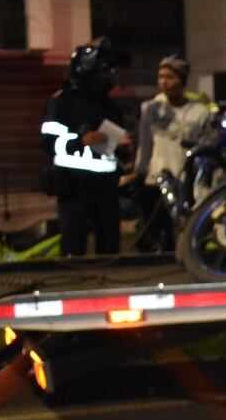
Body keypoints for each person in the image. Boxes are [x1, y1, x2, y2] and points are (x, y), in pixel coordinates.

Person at [40, 37, 126, 256]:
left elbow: (116, 147)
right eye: (106, 70)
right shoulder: (61, 102)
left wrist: (123, 147)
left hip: (106, 189)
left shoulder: (109, 106)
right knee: (73, 247)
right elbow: (47, 143)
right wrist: (81, 141)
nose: (110, 76)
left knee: (109, 249)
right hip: (73, 187)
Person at [129, 54, 214, 252]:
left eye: (170, 77)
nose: (165, 82)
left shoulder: (200, 112)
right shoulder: (153, 108)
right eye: (161, 77)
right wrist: (139, 172)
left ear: (182, 81)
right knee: (159, 230)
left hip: (187, 179)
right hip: (156, 178)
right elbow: (145, 143)